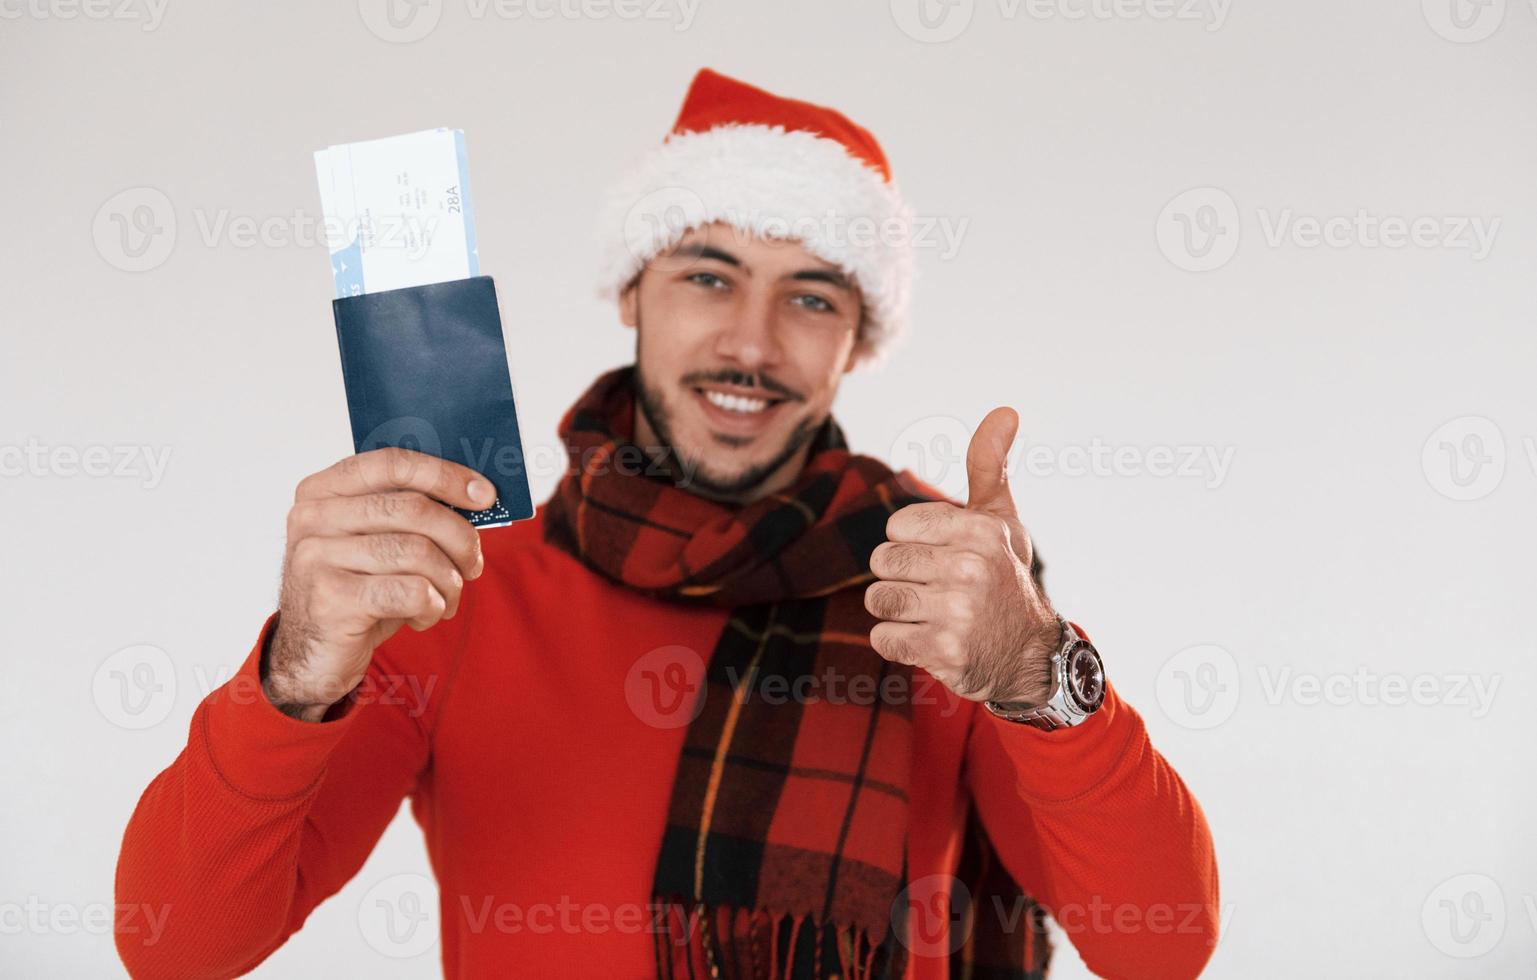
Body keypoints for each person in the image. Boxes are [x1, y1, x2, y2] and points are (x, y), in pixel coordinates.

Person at [114, 68, 1218, 979]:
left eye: (813, 294)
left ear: (857, 343)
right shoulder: (456, 581)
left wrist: (1039, 673)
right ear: (633, 292)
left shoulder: (941, 582)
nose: (751, 340)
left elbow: (1159, 946)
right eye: (708, 272)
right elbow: (180, 946)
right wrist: (298, 671)